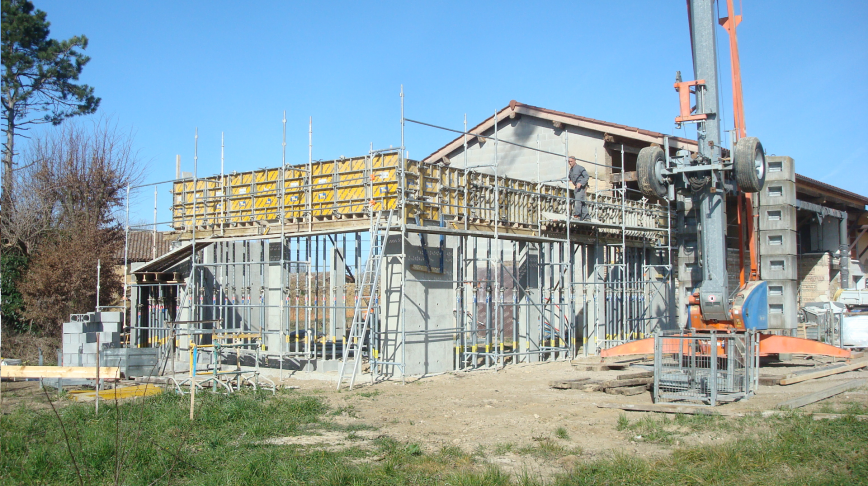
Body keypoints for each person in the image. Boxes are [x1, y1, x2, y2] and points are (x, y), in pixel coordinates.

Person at [567, 156, 590, 220]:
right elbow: (569, 178)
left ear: (574, 161)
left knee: (578, 200)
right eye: (569, 161)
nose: (570, 163)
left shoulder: (580, 168)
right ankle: (586, 217)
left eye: (571, 161)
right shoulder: (571, 170)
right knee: (582, 202)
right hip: (576, 188)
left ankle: (577, 215)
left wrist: (581, 183)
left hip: (581, 187)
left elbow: (586, 176)